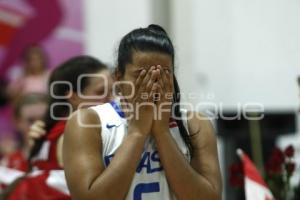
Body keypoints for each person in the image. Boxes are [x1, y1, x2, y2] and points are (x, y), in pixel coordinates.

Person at [63, 25, 222, 200]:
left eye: (162, 74)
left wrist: (162, 132)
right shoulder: (87, 121)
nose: (152, 84)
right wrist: (137, 131)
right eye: (141, 75)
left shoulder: (195, 123)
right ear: (118, 76)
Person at [2, 55, 113, 200]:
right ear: (73, 97)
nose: (112, 99)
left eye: (113, 91)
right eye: (101, 92)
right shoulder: (73, 133)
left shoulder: (51, 129)